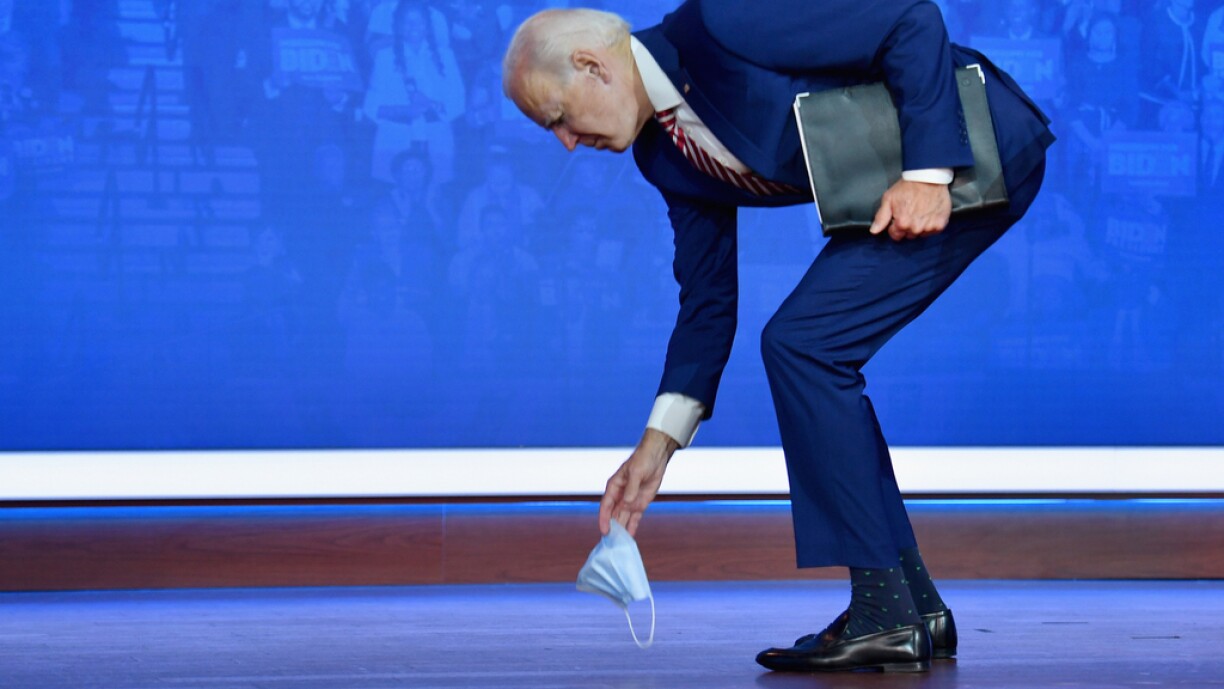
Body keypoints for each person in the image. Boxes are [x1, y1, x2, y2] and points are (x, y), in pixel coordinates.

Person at [502, 0, 1054, 674]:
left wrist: (926, 172)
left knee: (804, 346)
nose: (563, 141)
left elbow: (910, 16)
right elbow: (707, 301)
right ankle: (912, 604)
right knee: (810, 348)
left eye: (557, 117)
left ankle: (883, 608)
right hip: (912, 186)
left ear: (592, 67)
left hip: (974, 146)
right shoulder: (662, 153)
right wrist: (658, 443)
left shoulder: (722, 24)